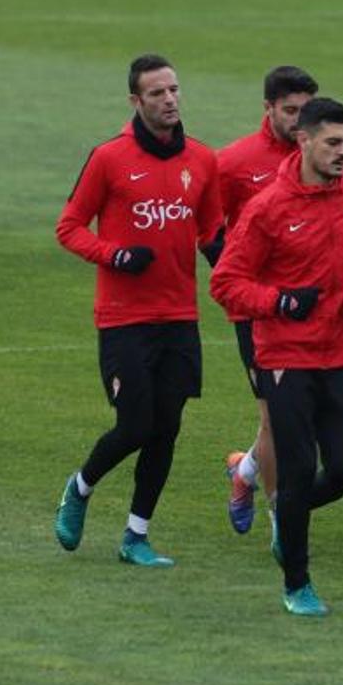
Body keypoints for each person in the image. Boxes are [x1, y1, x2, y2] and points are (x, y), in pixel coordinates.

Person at [210, 98, 343, 616]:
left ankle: (287, 513)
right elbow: (226, 282)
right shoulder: (269, 208)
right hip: (286, 358)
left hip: (341, 354)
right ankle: (297, 584)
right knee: (300, 469)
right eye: (333, 143)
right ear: (303, 141)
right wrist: (279, 301)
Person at [54, 53, 222, 567]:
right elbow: (69, 227)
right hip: (124, 320)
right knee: (135, 425)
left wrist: (239, 273)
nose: (169, 99)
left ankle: (136, 536)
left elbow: (212, 233)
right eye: (157, 93)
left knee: (167, 427)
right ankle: (80, 488)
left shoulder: (202, 159)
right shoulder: (108, 158)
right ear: (136, 101)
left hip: (179, 319)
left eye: (173, 89)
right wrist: (115, 255)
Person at [217, 65, 343, 535]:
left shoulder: (337, 162)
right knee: (273, 419)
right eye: (291, 112)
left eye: (306, 111)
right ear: (269, 109)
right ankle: (284, 518)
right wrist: (268, 291)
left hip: (325, 323)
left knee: (289, 430)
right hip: (259, 310)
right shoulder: (236, 162)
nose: (299, 121)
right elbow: (208, 226)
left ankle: (245, 474)